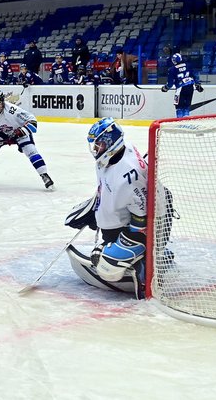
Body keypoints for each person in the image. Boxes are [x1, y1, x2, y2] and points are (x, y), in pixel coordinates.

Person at [63, 117, 151, 297]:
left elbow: (141, 217)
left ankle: (143, 269)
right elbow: (105, 187)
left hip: (127, 229)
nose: (96, 149)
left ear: (110, 143)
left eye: (99, 145)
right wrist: (95, 210)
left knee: (106, 268)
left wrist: (129, 242)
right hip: (115, 220)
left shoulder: (129, 176)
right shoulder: (112, 156)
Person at [161, 53, 203, 118]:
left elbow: (170, 84)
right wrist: (197, 84)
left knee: (179, 107)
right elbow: (194, 76)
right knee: (186, 106)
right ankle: (186, 121)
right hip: (190, 87)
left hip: (180, 88)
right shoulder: (188, 65)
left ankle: (179, 122)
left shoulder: (172, 69)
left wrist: (165, 88)